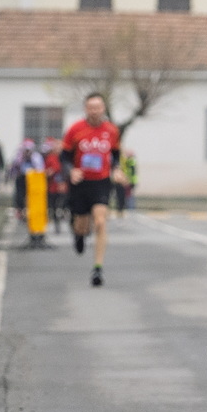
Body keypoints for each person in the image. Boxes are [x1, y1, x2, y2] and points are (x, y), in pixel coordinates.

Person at [60, 93, 121, 287]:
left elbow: (116, 154)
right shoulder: (75, 130)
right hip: (80, 183)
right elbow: (64, 156)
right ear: (86, 109)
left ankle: (97, 268)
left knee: (100, 222)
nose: (95, 111)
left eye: (98, 107)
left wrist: (116, 169)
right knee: (81, 225)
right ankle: (78, 235)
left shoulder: (111, 130)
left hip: (101, 182)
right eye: (91, 108)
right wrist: (71, 171)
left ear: (103, 109)